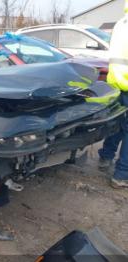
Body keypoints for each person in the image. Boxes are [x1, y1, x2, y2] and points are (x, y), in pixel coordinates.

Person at [98, 0, 128, 188]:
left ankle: (105, 157)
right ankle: (122, 174)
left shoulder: (121, 23)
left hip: (117, 81)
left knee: (119, 124)